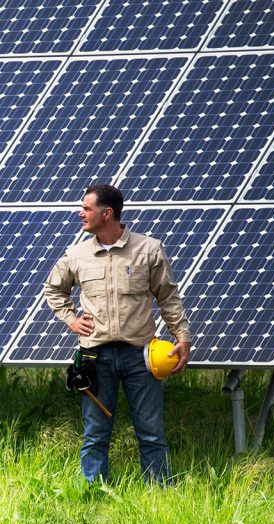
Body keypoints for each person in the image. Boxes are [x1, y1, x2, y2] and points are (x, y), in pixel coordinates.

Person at [44, 184, 191, 484]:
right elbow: (53, 289)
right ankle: (93, 493)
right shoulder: (76, 254)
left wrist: (183, 337)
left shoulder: (149, 249)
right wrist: (71, 319)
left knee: (151, 433)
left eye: (86, 208)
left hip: (141, 357)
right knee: (95, 433)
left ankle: (160, 493)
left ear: (107, 213)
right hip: (95, 357)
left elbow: (168, 297)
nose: (80, 213)